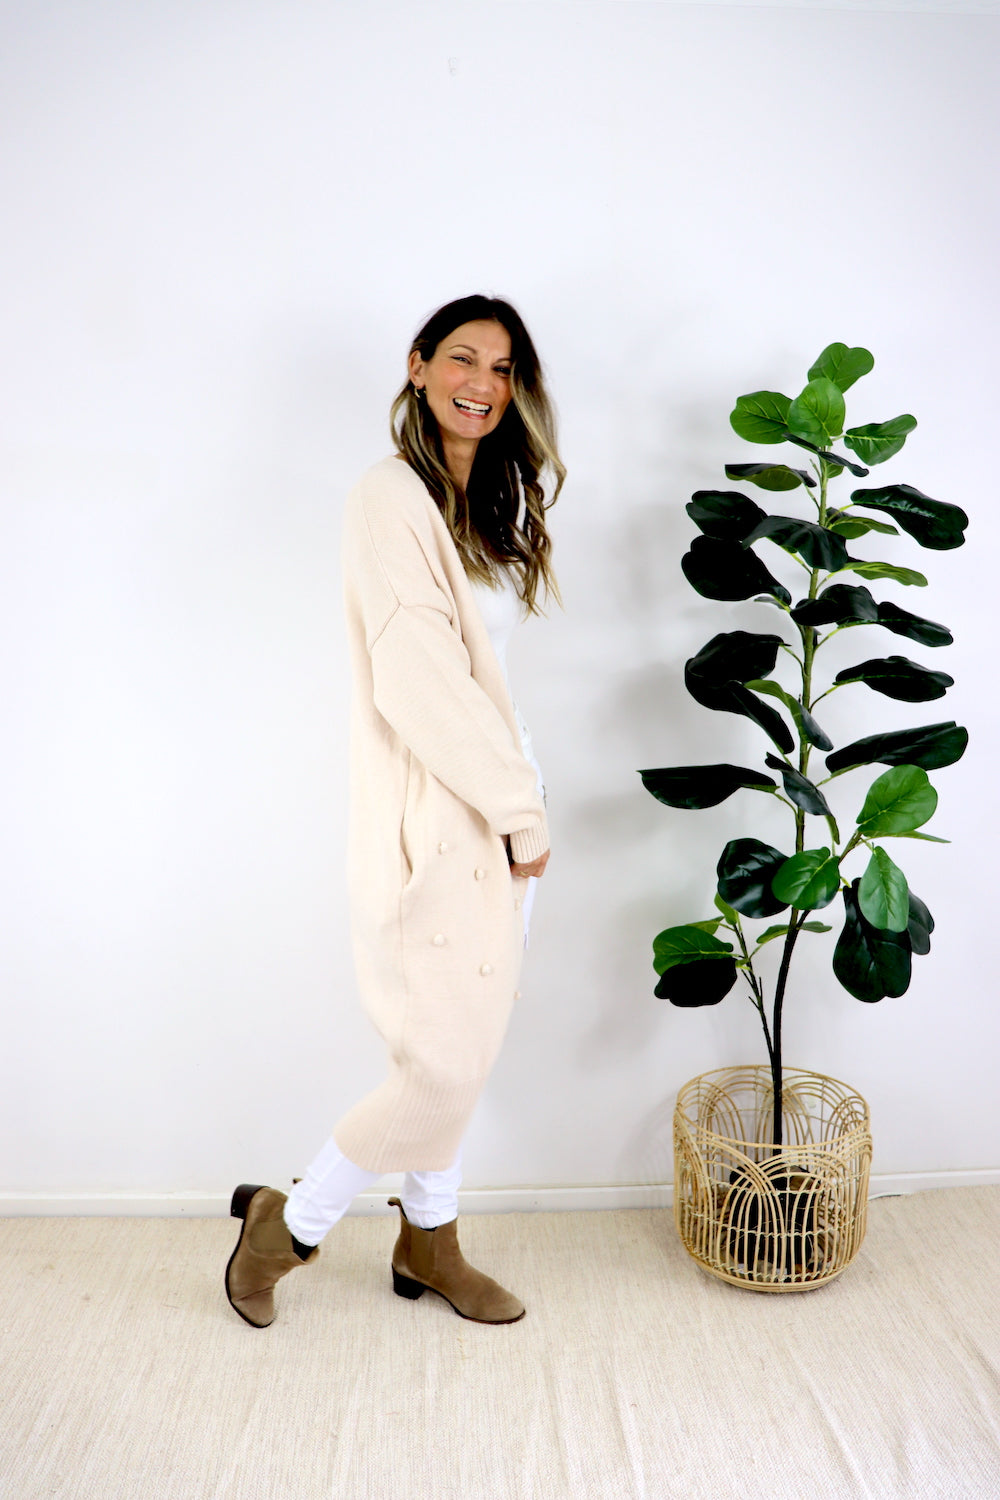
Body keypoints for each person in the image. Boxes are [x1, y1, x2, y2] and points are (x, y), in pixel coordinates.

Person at [224, 295, 565, 1329]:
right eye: (463, 358)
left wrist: (522, 800)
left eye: (503, 368)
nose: (482, 383)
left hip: (503, 798)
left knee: (466, 1046)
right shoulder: (389, 497)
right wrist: (514, 809)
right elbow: (416, 679)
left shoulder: (491, 502)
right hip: (448, 809)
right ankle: (287, 1225)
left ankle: (429, 1239)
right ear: (418, 367)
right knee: (440, 1065)